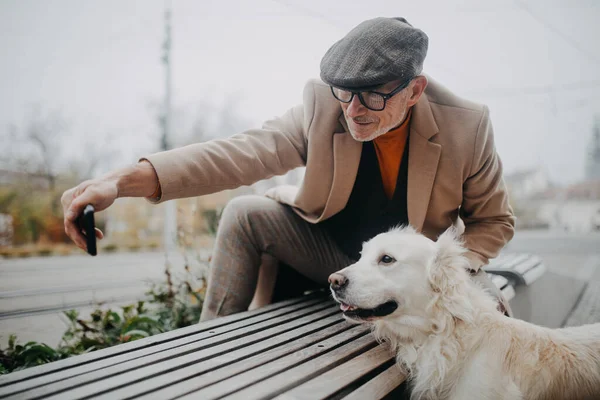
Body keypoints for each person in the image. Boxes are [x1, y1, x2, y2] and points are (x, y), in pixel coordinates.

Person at [61, 17, 515, 323]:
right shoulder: (324, 108)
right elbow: (236, 155)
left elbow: (493, 221)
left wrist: (449, 272)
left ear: (415, 90)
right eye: (345, 92)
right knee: (245, 211)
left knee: (494, 321)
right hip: (329, 257)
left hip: (408, 275)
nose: (354, 110)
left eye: (374, 96)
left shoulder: (466, 125)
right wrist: (117, 183)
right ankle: (205, 349)